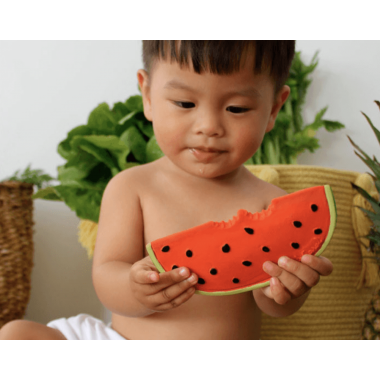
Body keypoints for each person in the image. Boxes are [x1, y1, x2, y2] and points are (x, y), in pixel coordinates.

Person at [0, 40, 333, 340]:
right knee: (16, 336)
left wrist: (287, 289)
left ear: (274, 109)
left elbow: (270, 303)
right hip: (119, 347)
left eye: (236, 109)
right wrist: (133, 287)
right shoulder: (132, 187)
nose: (208, 127)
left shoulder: (273, 204)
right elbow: (107, 273)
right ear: (147, 95)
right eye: (185, 103)